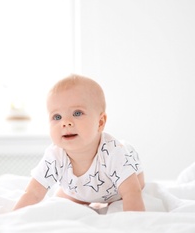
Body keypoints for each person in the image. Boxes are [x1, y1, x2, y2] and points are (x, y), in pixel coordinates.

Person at [13, 74, 145, 212]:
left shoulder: (113, 152)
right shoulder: (55, 156)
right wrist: (12, 218)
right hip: (77, 191)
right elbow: (33, 193)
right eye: (57, 117)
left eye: (77, 113)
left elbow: (132, 193)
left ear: (100, 122)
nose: (65, 122)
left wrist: (135, 223)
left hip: (116, 190)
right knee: (59, 203)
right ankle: (85, 197)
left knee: (134, 187)